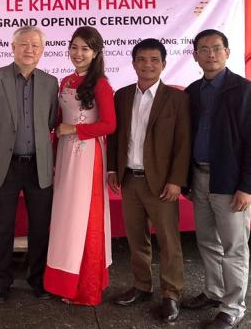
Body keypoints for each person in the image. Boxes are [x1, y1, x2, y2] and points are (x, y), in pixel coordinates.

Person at [107, 38, 190, 323]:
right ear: (133, 63)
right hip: (130, 179)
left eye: (154, 60)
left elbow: (183, 143)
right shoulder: (122, 95)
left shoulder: (177, 98)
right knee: (136, 238)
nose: (148, 65)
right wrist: (112, 169)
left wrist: (177, 181)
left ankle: (171, 294)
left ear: (163, 64)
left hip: (163, 183)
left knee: (169, 241)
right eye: (142, 59)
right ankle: (142, 286)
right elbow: (115, 136)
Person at [0, 26, 58, 303]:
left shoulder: (50, 82)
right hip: (6, 164)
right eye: (24, 44)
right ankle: (0, 279)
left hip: (39, 164)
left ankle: (39, 279)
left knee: (40, 225)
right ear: (12, 47)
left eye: (35, 45)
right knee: (1, 225)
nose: (29, 50)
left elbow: (49, 121)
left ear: (42, 50)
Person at [182, 29, 251, 329]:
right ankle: (214, 291)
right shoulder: (192, 91)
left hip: (229, 180)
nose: (210, 54)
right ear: (195, 55)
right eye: (204, 49)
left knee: (234, 245)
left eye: (216, 48)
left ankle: (234, 307)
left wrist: (247, 186)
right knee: (207, 239)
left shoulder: (244, 90)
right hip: (199, 176)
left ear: (227, 52)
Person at [43, 27, 116, 305]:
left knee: (84, 216)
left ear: (96, 52)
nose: (78, 53)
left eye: (85, 48)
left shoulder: (101, 85)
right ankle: (65, 281)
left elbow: (109, 125)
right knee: (66, 217)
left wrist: (73, 129)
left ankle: (85, 287)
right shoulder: (65, 81)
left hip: (87, 155)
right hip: (65, 155)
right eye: (74, 47)